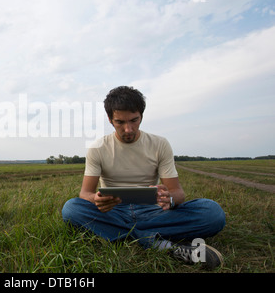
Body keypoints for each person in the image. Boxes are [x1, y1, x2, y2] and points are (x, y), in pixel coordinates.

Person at [62, 86, 226, 269]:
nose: (128, 129)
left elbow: (178, 194)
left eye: (134, 120)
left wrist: (169, 199)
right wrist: (96, 200)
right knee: (71, 209)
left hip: (153, 212)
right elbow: (85, 193)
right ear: (110, 120)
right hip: (113, 211)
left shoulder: (159, 144)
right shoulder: (97, 148)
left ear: (142, 116)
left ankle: (127, 235)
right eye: (120, 122)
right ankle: (162, 244)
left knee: (213, 213)